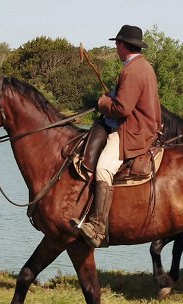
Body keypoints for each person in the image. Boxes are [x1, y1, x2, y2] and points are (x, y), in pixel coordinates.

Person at [71, 24, 162, 248]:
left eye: (116, 43)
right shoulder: (142, 66)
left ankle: (97, 227)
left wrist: (102, 102)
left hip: (133, 130)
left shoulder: (131, 70)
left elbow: (122, 109)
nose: (115, 47)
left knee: (103, 167)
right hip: (140, 125)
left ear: (123, 45)